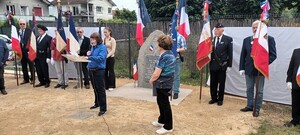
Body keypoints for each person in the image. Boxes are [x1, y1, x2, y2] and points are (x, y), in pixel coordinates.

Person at [239, 20, 277, 117]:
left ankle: (257, 108)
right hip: (248, 69)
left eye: (257, 27)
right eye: (253, 27)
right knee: (249, 89)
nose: (255, 29)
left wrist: (263, 63)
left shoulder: (269, 39)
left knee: (259, 91)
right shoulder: (246, 40)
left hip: (260, 70)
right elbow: (243, 55)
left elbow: (273, 55)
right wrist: (241, 68)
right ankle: (250, 105)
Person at [149, 34, 175, 134]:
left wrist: (151, 80)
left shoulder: (165, 56)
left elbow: (157, 72)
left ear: (161, 45)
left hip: (163, 83)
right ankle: (162, 120)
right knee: (160, 101)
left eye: (158, 43)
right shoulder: (167, 54)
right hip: (162, 83)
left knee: (165, 104)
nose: (157, 45)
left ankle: (168, 126)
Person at [209, 23, 233, 106]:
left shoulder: (228, 39)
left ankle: (220, 99)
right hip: (213, 64)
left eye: (218, 29)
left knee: (221, 83)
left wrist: (229, 65)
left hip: (222, 65)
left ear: (222, 30)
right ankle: (213, 98)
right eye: (215, 29)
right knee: (213, 82)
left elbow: (230, 53)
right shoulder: (212, 40)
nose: (216, 30)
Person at [86, 32, 107, 116]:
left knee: (101, 89)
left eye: (93, 39)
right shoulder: (92, 47)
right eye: (91, 39)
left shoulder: (102, 47)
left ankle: (103, 108)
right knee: (95, 88)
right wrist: (89, 54)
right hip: (91, 69)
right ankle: (97, 103)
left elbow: (101, 58)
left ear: (98, 39)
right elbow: (92, 57)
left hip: (99, 70)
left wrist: (89, 57)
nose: (92, 41)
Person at [285, 48, 300, 127]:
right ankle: (295, 120)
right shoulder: (296, 51)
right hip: (296, 82)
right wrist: (289, 80)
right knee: (295, 102)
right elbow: (291, 67)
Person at [19, 19, 34, 85]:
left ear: (26, 24)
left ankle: (32, 79)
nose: (22, 25)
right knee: (23, 66)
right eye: (21, 24)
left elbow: (32, 41)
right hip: (21, 51)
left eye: (23, 24)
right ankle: (26, 79)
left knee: (31, 65)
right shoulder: (17, 31)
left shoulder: (29, 31)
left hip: (28, 51)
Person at [173, 29, 187, 99]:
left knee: (176, 76)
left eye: (171, 26)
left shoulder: (181, 37)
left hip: (176, 59)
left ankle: (176, 91)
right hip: (168, 59)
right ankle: (169, 90)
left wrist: (177, 50)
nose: (170, 28)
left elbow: (184, 48)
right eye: (170, 26)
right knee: (168, 74)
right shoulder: (168, 37)